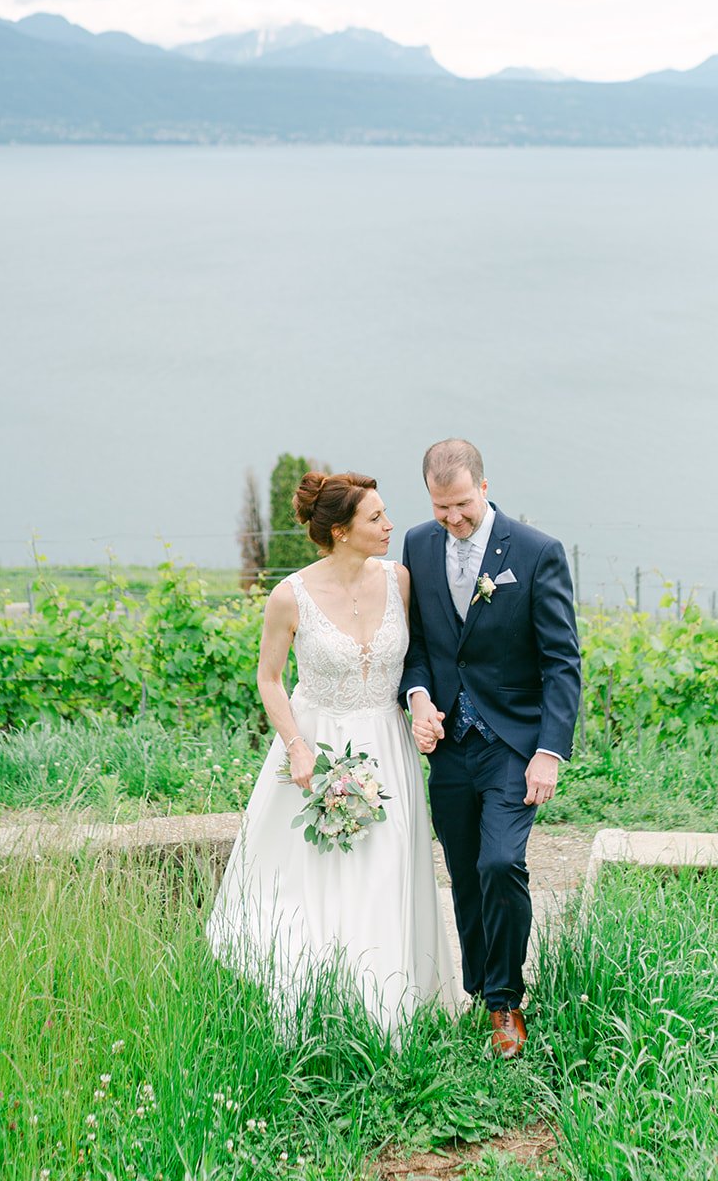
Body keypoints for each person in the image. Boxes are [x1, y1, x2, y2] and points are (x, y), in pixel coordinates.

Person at [206, 470, 460, 1034]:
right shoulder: (289, 595)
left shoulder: (401, 581)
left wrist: (422, 706)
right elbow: (270, 679)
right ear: (341, 531)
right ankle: (320, 1004)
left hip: (388, 747)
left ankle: (391, 1012)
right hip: (317, 750)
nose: (390, 524)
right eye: (376, 518)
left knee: (386, 871)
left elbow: (421, 659)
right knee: (317, 879)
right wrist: (296, 746)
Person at [402, 439, 581, 1057]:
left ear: (483, 486)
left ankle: (507, 1004)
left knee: (500, 864)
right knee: (462, 871)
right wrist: (420, 698)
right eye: (439, 507)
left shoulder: (535, 553)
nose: (451, 520)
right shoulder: (418, 548)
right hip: (450, 743)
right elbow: (419, 643)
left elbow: (562, 662)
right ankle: (480, 990)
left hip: (513, 740)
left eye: (460, 506)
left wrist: (549, 752)